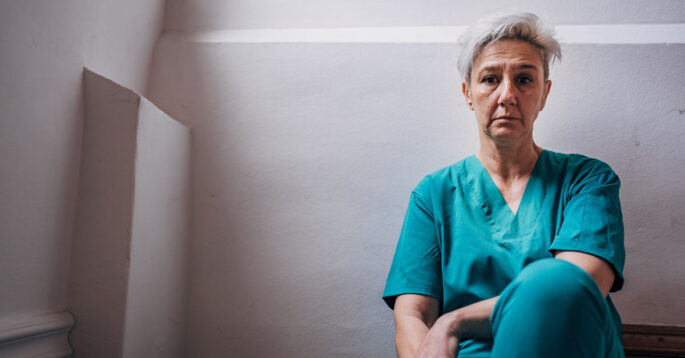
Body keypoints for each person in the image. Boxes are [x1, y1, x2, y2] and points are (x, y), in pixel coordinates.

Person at [382, 12, 625, 358]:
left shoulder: (587, 181)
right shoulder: (433, 195)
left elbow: (575, 286)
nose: (507, 95)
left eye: (524, 79)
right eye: (490, 79)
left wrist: (454, 322)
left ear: (544, 93)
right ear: (468, 93)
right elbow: (412, 314)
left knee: (553, 281)